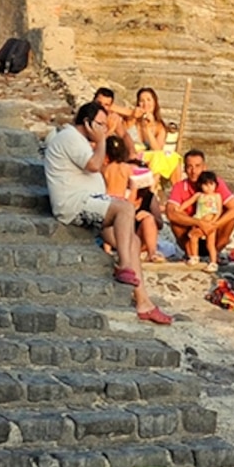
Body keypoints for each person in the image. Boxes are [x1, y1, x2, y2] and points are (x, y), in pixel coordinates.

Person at [45, 99, 172, 324]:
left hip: (90, 202)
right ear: (87, 122)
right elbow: (94, 165)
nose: (104, 129)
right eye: (101, 124)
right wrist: (103, 140)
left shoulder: (79, 140)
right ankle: (123, 265)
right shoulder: (69, 137)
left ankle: (144, 302)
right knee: (124, 208)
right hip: (75, 205)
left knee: (132, 240)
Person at [101, 134, 160, 260]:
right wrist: (131, 199)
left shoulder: (104, 169)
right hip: (121, 199)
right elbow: (138, 184)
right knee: (122, 223)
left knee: (108, 224)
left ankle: (107, 248)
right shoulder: (126, 168)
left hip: (107, 199)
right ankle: (145, 253)